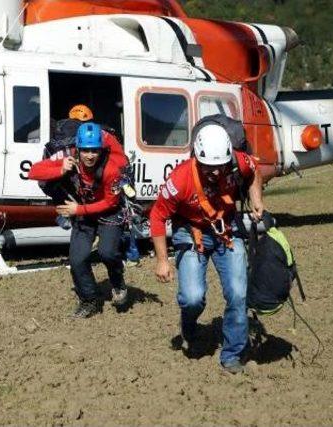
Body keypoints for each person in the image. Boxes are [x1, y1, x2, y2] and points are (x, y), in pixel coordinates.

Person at [149, 123, 264, 374]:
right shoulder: (180, 179)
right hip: (191, 231)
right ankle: (189, 325)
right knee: (192, 298)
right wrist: (162, 260)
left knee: (237, 293)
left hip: (227, 232)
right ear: (197, 158)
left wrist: (257, 199)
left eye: (219, 166)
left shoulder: (237, 161)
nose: (214, 172)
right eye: (208, 167)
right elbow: (157, 217)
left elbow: (254, 170)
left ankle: (232, 354)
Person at [29, 122, 128, 318]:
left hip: (108, 212)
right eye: (85, 151)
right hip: (83, 214)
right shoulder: (70, 159)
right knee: (77, 259)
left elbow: (110, 202)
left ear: (101, 149)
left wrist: (78, 209)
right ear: (77, 149)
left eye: (94, 151)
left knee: (107, 253)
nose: (90, 156)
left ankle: (117, 282)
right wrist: (60, 170)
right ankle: (89, 300)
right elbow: (33, 172)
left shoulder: (112, 169)